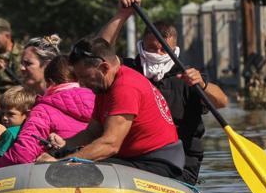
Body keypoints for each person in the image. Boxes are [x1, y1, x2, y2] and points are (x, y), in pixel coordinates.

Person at [99, 0, 229, 184]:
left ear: (173, 47)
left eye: (163, 49)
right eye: (152, 48)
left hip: (178, 166)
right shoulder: (128, 70)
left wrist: (203, 84)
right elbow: (100, 53)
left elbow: (222, 101)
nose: (158, 53)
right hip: (135, 159)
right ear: (142, 45)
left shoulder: (187, 76)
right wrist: (122, 15)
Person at [44, 37, 185, 179]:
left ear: (104, 68)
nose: (82, 84)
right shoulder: (104, 85)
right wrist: (65, 145)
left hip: (157, 163)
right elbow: (93, 131)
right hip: (134, 159)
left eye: (85, 77)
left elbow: (110, 145)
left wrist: (61, 163)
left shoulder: (125, 87)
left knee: (82, 170)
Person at [0, 55, 95, 168]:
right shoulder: (98, 101)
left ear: (49, 82)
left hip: (59, 178)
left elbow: (22, 155)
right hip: (103, 175)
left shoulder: (43, 110)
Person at [0, 86, 37, 163]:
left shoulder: (10, 133)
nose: (4, 118)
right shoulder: (34, 131)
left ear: (27, 114)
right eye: (3, 113)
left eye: (10, 114)